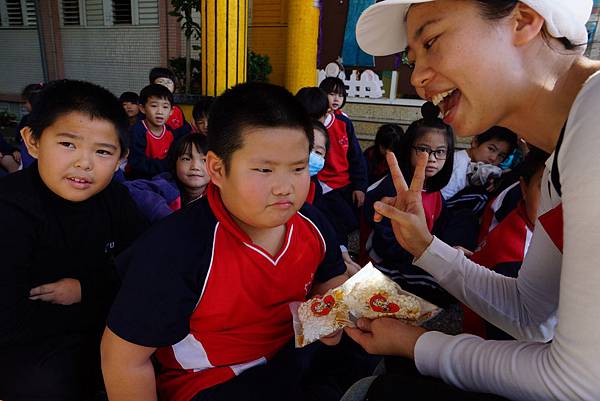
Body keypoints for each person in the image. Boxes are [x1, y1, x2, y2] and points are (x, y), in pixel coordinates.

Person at [344, 0, 600, 400]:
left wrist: (416, 345)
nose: (419, 78)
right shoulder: (559, 162)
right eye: (413, 59)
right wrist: (425, 246)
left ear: (524, 20)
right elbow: (530, 314)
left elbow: (580, 382)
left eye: (431, 41)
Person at [101, 82, 348, 401]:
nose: (285, 188)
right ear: (217, 168)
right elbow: (123, 358)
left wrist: (331, 319)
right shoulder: (177, 246)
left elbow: (332, 281)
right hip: (213, 378)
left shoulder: (313, 222)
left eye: (298, 168)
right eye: (264, 169)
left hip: (293, 349)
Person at [0, 79, 147, 401]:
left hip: (108, 325)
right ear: (32, 140)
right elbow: (9, 318)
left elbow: (143, 263)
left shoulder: (114, 197)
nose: (84, 162)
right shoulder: (11, 209)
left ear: (122, 157)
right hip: (32, 343)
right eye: (68, 144)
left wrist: (87, 290)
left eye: (103, 151)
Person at [364, 103, 455, 307]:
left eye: (440, 152)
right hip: (387, 261)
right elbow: (385, 243)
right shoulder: (391, 188)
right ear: (408, 149)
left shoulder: (433, 187)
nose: (430, 159)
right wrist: (426, 257)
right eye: (423, 149)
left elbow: (440, 223)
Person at [120, 133, 210, 223]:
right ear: (175, 163)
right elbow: (128, 188)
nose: (195, 167)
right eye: (186, 159)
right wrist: (164, 214)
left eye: (204, 160)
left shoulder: (219, 193)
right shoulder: (167, 185)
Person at [442, 126, 518, 200]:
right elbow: (440, 200)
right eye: (491, 149)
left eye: (501, 156)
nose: (493, 158)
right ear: (475, 142)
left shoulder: (474, 165)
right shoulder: (459, 167)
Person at [127, 84, 177, 179]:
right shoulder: (137, 131)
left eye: (165, 107)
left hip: (163, 176)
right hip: (138, 178)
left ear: (171, 111)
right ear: (142, 108)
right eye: (154, 106)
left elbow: (173, 157)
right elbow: (137, 163)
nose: (160, 111)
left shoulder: (170, 132)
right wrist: (166, 166)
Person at [149, 67, 191, 134]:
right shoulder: (148, 107)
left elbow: (184, 127)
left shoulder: (177, 109)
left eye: (168, 82)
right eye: (161, 82)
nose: (165, 85)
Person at [15, 83, 43, 169]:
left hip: (29, 157)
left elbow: (18, 137)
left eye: (25, 102)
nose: (25, 105)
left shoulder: (27, 119)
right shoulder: (51, 119)